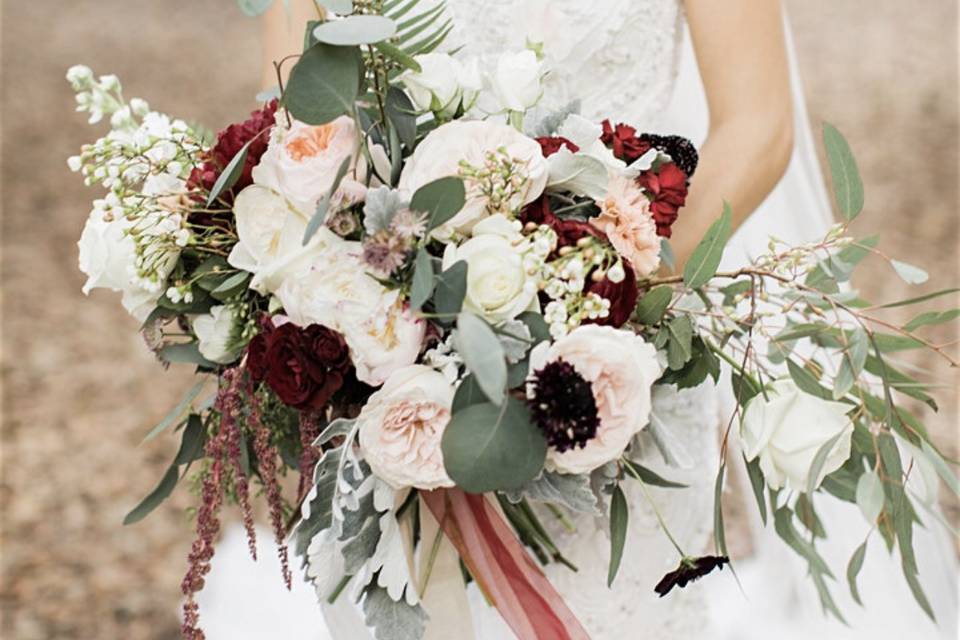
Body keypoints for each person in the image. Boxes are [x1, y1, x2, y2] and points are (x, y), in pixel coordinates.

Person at [194, 1, 956, 638]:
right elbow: (302, 116)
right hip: (392, 364)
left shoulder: (613, 325)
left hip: (611, 366)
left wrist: (611, 296)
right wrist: (356, 299)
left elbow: (758, 126)